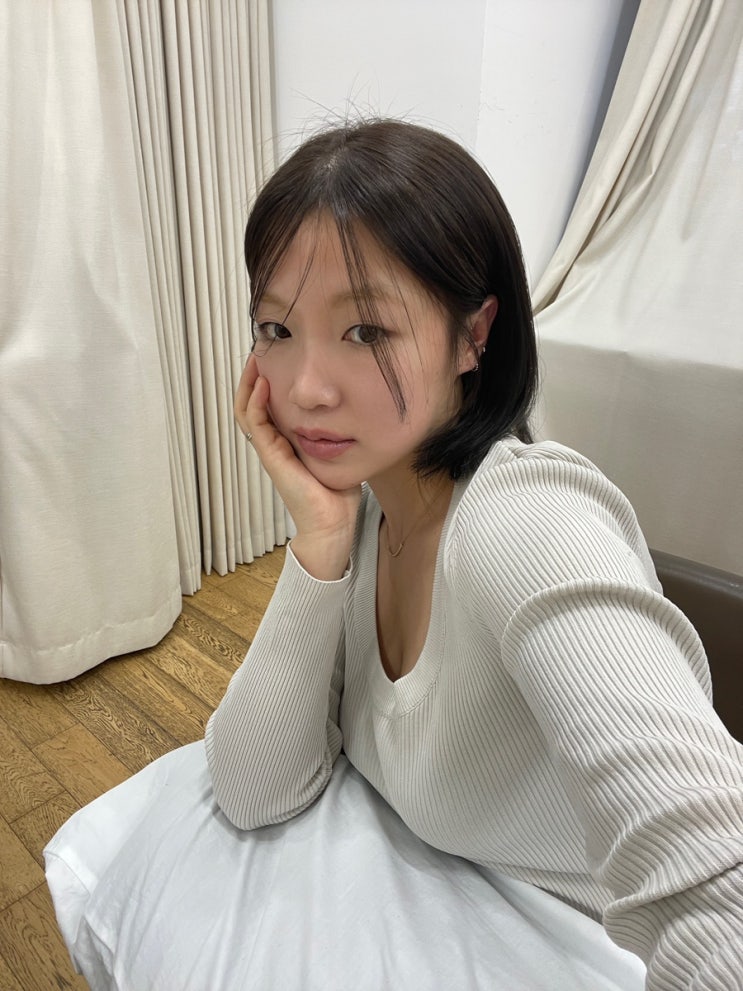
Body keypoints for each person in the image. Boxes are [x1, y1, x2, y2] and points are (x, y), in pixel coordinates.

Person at [205, 118, 743, 989]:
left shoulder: (523, 523)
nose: (303, 388)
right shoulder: (371, 510)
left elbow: (716, 885)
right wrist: (320, 539)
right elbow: (253, 786)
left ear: (472, 334)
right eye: (275, 327)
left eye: (365, 331)